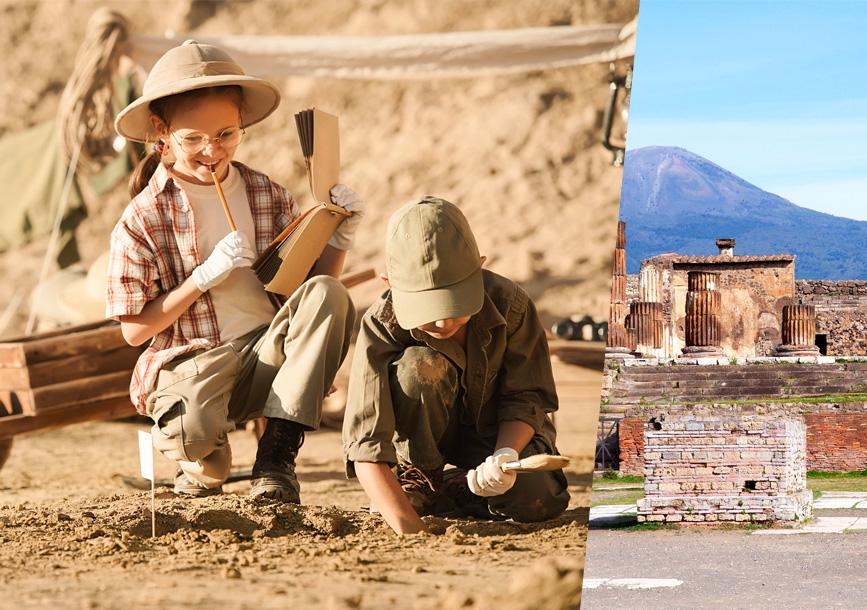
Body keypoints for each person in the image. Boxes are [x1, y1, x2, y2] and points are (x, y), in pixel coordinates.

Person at [106, 40, 362, 503]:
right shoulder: (142, 218)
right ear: (161, 132)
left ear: (242, 123)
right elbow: (133, 330)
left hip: (267, 357)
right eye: (193, 139)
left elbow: (308, 292)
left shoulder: (266, 194)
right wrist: (202, 277)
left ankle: (276, 459)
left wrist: (339, 235)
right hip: (194, 364)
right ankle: (203, 463)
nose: (212, 150)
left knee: (331, 294)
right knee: (196, 438)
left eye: (226, 134)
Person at [343, 197, 569, 535]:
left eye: (455, 303)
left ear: (479, 268)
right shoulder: (381, 323)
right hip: (421, 446)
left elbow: (527, 399)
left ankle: (457, 487)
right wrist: (409, 529)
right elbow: (366, 443)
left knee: (539, 499)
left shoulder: (512, 305)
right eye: (425, 307)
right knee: (419, 367)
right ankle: (420, 479)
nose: (442, 320)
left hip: (497, 439)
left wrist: (505, 456)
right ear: (390, 284)